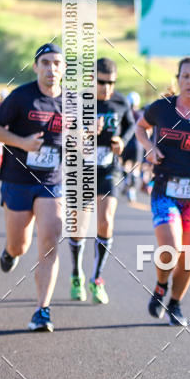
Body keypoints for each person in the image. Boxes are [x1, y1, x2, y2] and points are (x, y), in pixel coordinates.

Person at [135, 57, 190, 326]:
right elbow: (141, 127)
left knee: (188, 256)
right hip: (165, 188)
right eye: (186, 76)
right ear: (178, 79)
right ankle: (161, 285)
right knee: (170, 249)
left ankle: (175, 304)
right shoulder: (161, 109)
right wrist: (149, 148)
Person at [0, 44, 64, 332]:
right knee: (19, 244)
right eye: (45, 63)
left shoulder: (73, 101)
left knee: (49, 240)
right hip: (18, 180)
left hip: (51, 182)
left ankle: (42, 310)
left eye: (57, 63)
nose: (51, 69)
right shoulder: (21, 96)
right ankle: (10, 253)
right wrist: (22, 143)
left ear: (63, 69)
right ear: (36, 67)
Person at [68, 58, 136, 304]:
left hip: (109, 167)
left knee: (105, 220)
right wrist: (85, 133)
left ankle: (96, 279)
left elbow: (130, 125)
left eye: (111, 83)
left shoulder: (120, 102)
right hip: (82, 169)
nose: (106, 88)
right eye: (101, 82)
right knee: (80, 225)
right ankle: (76, 273)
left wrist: (122, 142)